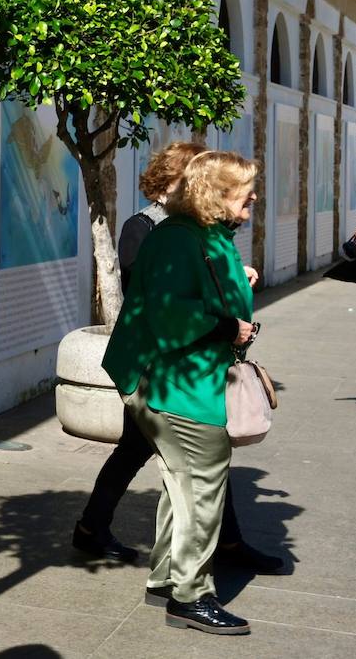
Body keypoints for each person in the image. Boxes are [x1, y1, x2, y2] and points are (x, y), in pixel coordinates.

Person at [74, 142, 283, 575]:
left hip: (183, 367)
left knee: (184, 467)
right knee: (180, 465)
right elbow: (153, 297)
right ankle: (182, 570)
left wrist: (230, 286)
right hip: (162, 368)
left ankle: (208, 550)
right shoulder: (153, 228)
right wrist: (223, 318)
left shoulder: (203, 230)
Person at [102, 150, 262, 635]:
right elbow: (170, 312)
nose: (252, 197)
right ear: (214, 194)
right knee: (200, 486)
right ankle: (190, 596)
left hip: (186, 379)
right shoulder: (179, 238)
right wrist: (227, 327)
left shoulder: (201, 234)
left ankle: (167, 580)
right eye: (243, 190)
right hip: (177, 384)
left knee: (184, 484)